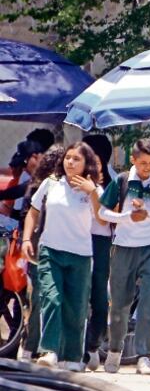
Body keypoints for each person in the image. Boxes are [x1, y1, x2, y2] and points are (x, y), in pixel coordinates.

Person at [21, 142, 106, 370]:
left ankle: (72, 357)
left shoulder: (94, 190)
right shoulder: (51, 183)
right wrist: (27, 239)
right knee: (51, 298)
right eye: (68, 158)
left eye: (76, 159)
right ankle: (49, 350)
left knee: (76, 307)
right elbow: (33, 211)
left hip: (80, 255)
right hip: (51, 251)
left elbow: (103, 220)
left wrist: (92, 192)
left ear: (86, 163)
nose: (70, 162)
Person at [98, 139, 150, 375]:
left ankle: (145, 355)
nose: (147, 168)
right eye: (143, 163)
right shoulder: (122, 181)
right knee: (120, 303)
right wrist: (126, 217)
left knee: (149, 300)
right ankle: (114, 350)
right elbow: (102, 212)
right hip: (124, 246)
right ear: (133, 160)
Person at [17, 145, 64, 362]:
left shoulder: (36, 186)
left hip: (38, 249)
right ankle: (33, 346)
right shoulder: (44, 188)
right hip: (42, 248)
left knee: (38, 298)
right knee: (41, 298)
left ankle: (32, 347)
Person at [81, 134, 115, 371]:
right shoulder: (74, 181)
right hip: (77, 240)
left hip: (101, 244)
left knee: (100, 302)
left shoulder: (112, 184)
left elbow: (108, 221)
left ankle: (93, 344)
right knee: (79, 297)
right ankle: (80, 350)